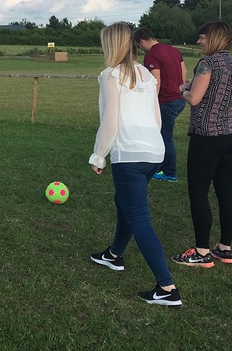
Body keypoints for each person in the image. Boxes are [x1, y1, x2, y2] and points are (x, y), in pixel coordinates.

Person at [89, 22, 182, 307]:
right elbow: (156, 118)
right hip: (155, 153)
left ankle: (167, 287)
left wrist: (98, 155)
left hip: (129, 155)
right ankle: (114, 254)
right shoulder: (145, 72)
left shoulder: (109, 75)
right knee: (125, 204)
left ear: (110, 45)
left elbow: (110, 122)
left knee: (139, 217)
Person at [170, 22, 232, 268]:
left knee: (199, 192)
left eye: (202, 37)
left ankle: (201, 251)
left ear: (212, 38)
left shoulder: (207, 64)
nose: (199, 42)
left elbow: (195, 98)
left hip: (208, 136)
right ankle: (225, 248)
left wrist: (183, 89)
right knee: (225, 190)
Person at [134, 27, 187, 181]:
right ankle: (161, 166)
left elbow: (155, 81)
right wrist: (180, 89)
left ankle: (170, 172)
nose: (141, 49)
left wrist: (149, 103)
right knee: (162, 135)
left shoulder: (152, 55)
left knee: (165, 137)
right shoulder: (173, 50)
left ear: (142, 41)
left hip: (167, 101)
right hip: (180, 98)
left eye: (139, 46)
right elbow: (183, 72)